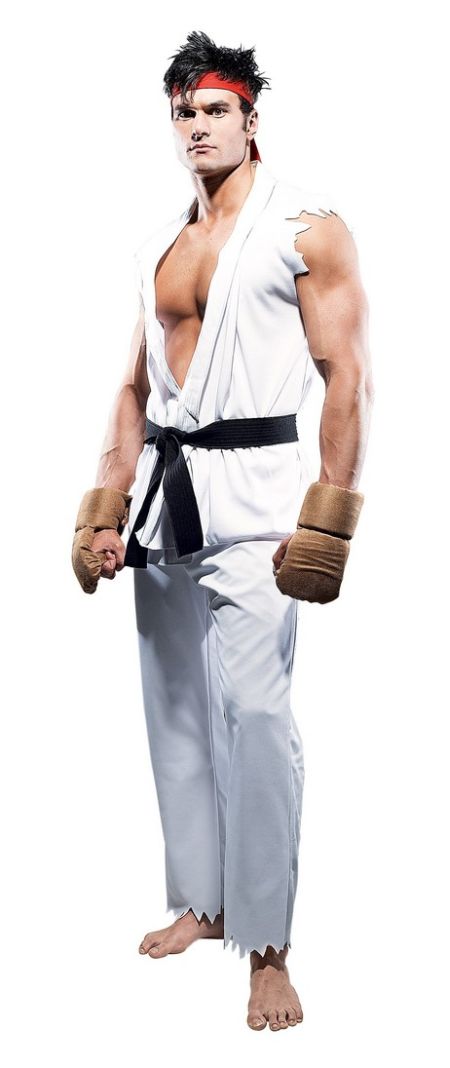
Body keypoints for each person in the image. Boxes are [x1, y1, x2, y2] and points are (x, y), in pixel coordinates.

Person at [72, 30, 374, 1032]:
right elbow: (132, 388)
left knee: (256, 717)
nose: (197, 126)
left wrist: (328, 518)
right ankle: (202, 902)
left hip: (259, 506)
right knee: (177, 715)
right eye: (183, 113)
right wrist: (106, 504)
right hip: (167, 502)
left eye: (215, 110)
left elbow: (347, 376)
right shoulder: (160, 246)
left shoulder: (307, 229)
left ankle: (269, 947)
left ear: (251, 119)